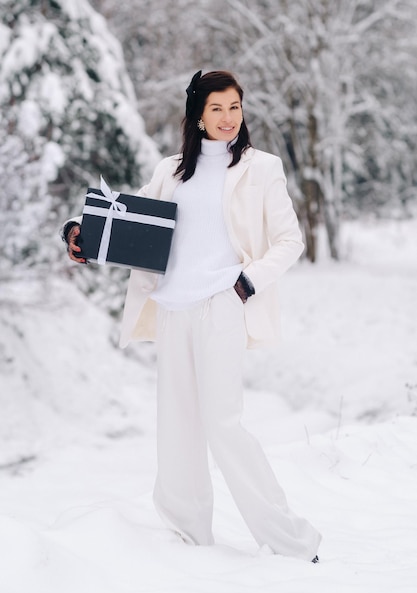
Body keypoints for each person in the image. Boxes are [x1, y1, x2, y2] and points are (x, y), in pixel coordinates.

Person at [63, 70, 321, 562]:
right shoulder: (172, 170)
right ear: (198, 116)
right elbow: (129, 214)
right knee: (177, 423)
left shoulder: (260, 168)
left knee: (223, 423)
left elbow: (291, 240)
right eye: (217, 109)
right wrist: (79, 230)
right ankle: (187, 538)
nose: (228, 118)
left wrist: (246, 283)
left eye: (235, 108)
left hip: (223, 304)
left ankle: (290, 541)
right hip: (172, 309)